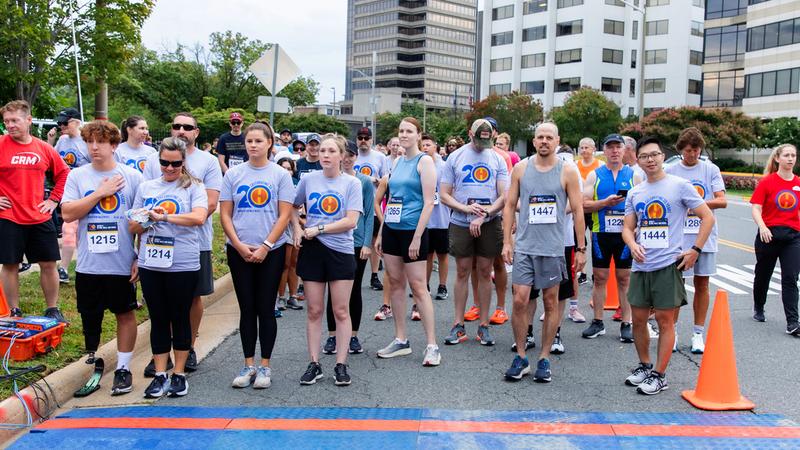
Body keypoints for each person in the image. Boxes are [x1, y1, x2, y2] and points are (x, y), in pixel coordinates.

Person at [622, 136, 714, 395]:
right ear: (638, 160)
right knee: (638, 321)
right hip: (641, 266)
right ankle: (645, 366)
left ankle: (660, 375)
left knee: (665, 321)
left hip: (668, 265)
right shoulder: (635, 192)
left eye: (654, 155)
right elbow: (627, 228)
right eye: (644, 156)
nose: (650, 160)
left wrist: (695, 250)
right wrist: (632, 244)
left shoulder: (680, 185)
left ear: (663, 156)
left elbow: (707, 217)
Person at [61, 120, 142, 395]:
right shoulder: (78, 176)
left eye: (100, 142)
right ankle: (92, 362)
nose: (94, 147)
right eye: (89, 142)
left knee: (124, 313)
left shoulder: (131, 177)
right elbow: (69, 213)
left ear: (114, 145)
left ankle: (123, 368)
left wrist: (138, 256)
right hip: (89, 263)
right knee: (90, 315)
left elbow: (142, 220)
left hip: (121, 261)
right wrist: (99, 193)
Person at [502, 123, 585, 383]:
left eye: (549, 137)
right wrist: (507, 241)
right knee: (519, 300)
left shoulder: (568, 171)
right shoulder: (521, 168)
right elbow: (509, 205)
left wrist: (581, 248)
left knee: (551, 303)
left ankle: (544, 357)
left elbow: (579, 210)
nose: (544, 141)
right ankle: (522, 356)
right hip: (525, 246)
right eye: (540, 137)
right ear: (534, 141)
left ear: (557, 140)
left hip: (552, 249)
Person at [143, 112, 222, 375]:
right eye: (176, 126)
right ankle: (162, 353)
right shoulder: (155, 160)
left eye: (187, 127)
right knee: (161, 302)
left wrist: (173, 221)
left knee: (191, 297)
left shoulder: (208, 162)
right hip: (157, 244)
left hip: (193, 242)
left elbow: (209, 204)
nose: (181, 130)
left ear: (196, 132)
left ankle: (188, 347)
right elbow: (147, 200)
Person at [131, 137, 209, 398]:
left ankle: (179, 374)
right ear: (158, 160)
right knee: (159, 318)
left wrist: (163, 216)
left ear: (183, 162)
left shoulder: (193, 187)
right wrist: (144, 219)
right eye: (164, 163)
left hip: (183, 262)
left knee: (180, 316)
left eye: (175, 164)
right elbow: (133, 225)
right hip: (152, 260)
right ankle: (160, 373)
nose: (169, 168)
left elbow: (198, 217)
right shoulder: (146, 187)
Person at [220, 122, 294, 389]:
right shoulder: (233, 174)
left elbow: (284, 213)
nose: (253, 145)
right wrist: (239, 245)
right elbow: (225, 213)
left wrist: (265, 245)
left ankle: (265, 366)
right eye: (249, 141)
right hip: (239, 250)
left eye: (258, 141)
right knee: (247, 308)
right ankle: (248, 364)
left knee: (266, 308)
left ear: (269, 144)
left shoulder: (280, 175)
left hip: (271, 251)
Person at [293, 134, 362, 386]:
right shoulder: (309, 180)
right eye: (322, 150)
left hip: (340, 251)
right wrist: (297, 230)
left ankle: (341, 364)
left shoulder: (351, 183)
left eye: (331, 151)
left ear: (342, 156)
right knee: (314, 310)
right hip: (313, 249)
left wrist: (319, 228)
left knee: (341, 310)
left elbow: (351, 220)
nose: (325, 155)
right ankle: (314, 362)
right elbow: (292, 206)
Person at [375, 118, 440, 366]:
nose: (404, 135)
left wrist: (416, 237)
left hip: (414, 231)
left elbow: (429, 202)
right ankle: (401, 339)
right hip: (392, 228)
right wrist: (381, 233)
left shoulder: (424, 161)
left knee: (418, 286)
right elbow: (391, 200)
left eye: (409, 131)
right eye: (401, 131)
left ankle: (432, 345)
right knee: (395, 284)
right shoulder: (397, 161)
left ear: (418, 135)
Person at [439, 119, 508, 347]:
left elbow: (504, 195)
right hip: (460, 221)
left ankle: (484, 325)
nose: (483, 144)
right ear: (470, 134)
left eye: (487, 140)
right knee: (462, 271)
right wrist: (466, 209)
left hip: (489, 222)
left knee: (486, 270)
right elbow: (445, 194)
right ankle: (458, 325)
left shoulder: (497, 158)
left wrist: (485, 213)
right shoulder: (455, 157)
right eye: (479, 139)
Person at [0, 100, 69, 321]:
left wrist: (54, 201)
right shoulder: (0, 144)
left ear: (28, 120)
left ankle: (52, 308)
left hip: (39, 215)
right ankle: (14, 311)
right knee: (10, 264)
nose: (10, 125)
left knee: (48, 263)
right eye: (6, 121)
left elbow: (64, 173)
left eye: (14, 120)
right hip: (8, 216)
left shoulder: (43, 148)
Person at [665, 128, 727, 353]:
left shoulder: (710, 169)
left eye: (696, 150)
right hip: (678, 238)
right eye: (688, 150)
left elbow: (722, 200)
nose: (692, 154)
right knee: (676, 286)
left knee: (702, 283)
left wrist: (696, 204)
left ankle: (698, 333)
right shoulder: (671, 170)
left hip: (704, 235)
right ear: (681, 150)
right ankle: (671, 331)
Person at [581, 134, 637, 343]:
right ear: (604, 151)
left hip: (625, 235)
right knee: (600, 277)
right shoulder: (594, 175)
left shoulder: (634, 176)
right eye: (610, 147)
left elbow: (641, 206)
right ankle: (597, 322)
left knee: (625, 279)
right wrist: (604, 202)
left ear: (624, 150)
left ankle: (626, 323)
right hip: (601, 233)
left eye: (618, 147)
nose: (614, 151)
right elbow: (584, 204)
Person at [323, 140, 374, 356]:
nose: (348, 158)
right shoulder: (331, 179)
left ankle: (353, 335)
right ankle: (332, 336)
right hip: (332, 240)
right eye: (346, 154)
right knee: (331, 291)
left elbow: (370, 212)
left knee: (354, 291)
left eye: (352, 155)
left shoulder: (363, 181)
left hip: (356, 240)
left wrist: (367, 243)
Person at [750, 144, 800, 336]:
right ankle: (759, 306)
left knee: (790, 278)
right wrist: (762, 227)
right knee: (763, 275)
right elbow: (756, 207)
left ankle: (793, 323)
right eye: (786, 155)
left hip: (792, 238)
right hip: (768, 236)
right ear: (778, 158)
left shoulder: (798, 183)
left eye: (793, 155)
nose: (790, 158)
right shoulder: (767, 182)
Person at [49, 108, 89, 285]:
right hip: (68, 191)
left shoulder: (87, 140)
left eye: (65, 123)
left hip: (86, 191)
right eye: (60, 123)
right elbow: (50, 161)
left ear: (76, 122)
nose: (61, 126)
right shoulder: (63, 141)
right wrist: (51, 141)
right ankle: (64, 269)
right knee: (69, 228)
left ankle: (82, 266)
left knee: (82, 230)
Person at [421, 134, 450, 300]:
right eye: (423, 145)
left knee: (442, 254)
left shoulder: (444, 166)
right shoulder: (420, 164)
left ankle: (443, 285)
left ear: (435, 146)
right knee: (426, 254)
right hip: (425, 218)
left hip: (441, 217)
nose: (425, 147)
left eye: (428, 144)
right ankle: (424, 285)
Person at [576, 137, 603, 287]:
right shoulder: (574, 166)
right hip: (579, 208)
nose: (584, 150)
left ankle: (595, 272)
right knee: (581, 241)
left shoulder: (600, 165)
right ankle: (583, 273)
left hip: (594, 207)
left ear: (594, 149)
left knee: (595, 240)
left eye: (587, 147)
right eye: (582, 147)